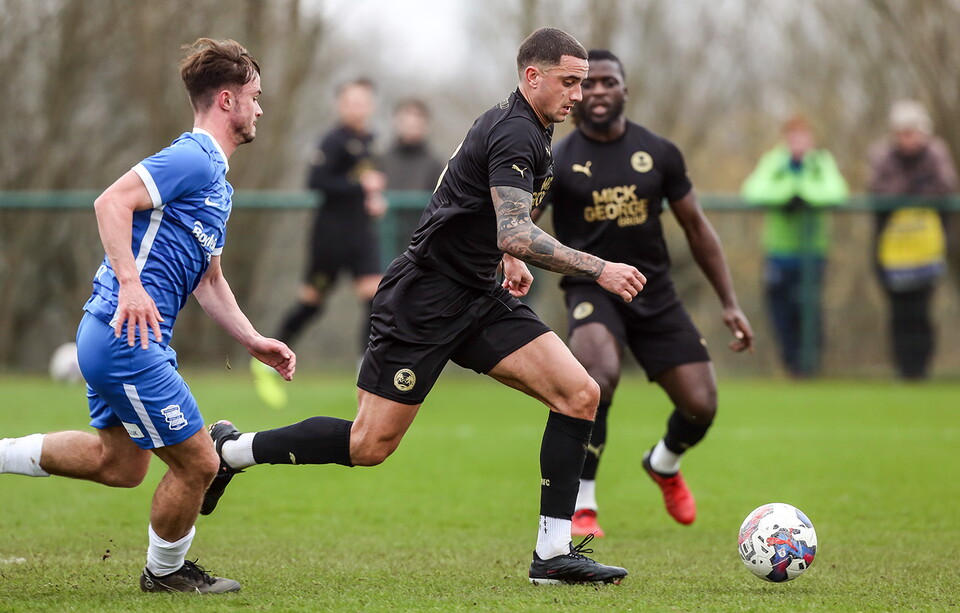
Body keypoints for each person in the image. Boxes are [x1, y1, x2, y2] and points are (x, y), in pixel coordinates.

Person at [201, 28, 645, 586]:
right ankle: (233, 450)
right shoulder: (515, 132)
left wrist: (504, 258)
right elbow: (513, 228)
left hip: (478, 295)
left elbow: (478, 211)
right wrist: (597, 267)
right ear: (533, 76)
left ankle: (553, 555)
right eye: (570, 81)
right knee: (368, 445)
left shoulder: (530, 127)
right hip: (426, 300)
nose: (579, 93)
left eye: (583, 82)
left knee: (579, 394)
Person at [0, 39, 294, 593]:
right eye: (255, 96)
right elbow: (110, 202)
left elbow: (209, 281)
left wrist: (253, 340)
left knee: (122, 464)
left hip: (116, 335)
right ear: (227, 100)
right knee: (200, 464)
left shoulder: (218, 184)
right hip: (126, 336)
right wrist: (132, 286)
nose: (261, 108)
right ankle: (165, 574)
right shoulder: (195, 156)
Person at [533, 50, 753, 538]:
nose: (598, 92)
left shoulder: (659, 152)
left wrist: (730, 303)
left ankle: (664, 463)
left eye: (608, 82)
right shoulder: (558, 159)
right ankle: (585, 503)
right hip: (593, 291)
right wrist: (504, 260)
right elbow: (521, 224)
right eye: (588, 84)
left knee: (701, 405)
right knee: (598, 376)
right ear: (578, 93)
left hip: (655, 294)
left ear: (624, 90)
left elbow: (697, 229)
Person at [253, 78, 387, 408]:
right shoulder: (332, 140)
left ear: (371, 106)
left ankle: (365, 369)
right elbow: (318, 182)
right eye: (351, 101)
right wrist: (361, 189)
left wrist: (373, 200)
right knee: (312, 303)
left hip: (361, 235)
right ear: (340, 106)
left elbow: (365, 185)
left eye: (363, 102)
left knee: (376, 297)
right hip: (330, 237)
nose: (358, 107)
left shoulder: (369, 141)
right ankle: (266, 355)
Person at [741, 116, 849, 377]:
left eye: (804, 137)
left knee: (810, 310)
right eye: (794, 137)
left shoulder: (821, 163)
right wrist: (788, 192)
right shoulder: (774, 162)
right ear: (786, 138)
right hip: (779, 253)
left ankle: (809, 365)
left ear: (811, 140)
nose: (799, 143)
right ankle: (790, 365)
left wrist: (804, 193)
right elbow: (752, 191)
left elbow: (837, 192)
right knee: (781, 312)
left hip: (813, 254)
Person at [868, 100, 957, 380]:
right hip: (892, 250)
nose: (908, 138)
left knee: (922, 311)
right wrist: (912, 188)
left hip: (927, 249)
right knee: (899, 312)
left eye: (913, 131)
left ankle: (922, 367)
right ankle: (903, 368)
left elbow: (944, 186)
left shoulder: (936, 154)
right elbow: (877, 189)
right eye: (903, 132)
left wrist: (910, 191)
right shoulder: (882, 155)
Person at [379, 98, 446, 247]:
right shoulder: (381, 159)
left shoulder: (435, 164)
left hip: (420, 241)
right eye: (407, 123)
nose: (412, 128)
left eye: (417, 124)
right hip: (385, 240)